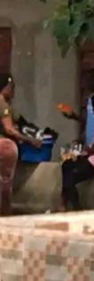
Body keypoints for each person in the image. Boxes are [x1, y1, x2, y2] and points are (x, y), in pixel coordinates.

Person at [0, 74, 41, 216]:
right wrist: (30, 140)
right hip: (3, 146)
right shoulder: (2, 103)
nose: (13, 91)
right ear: (6, 87)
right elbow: (9, 129)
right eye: (12, 87)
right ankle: (5, 212)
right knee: (5, 182)